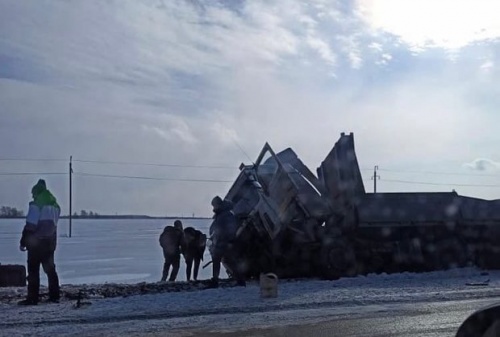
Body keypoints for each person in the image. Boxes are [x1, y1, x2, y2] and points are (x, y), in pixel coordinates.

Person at [18, 179, 61, 305]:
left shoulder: (36, 205)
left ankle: (32, 298)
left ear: (37, 192)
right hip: (50, 242)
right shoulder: (55, 206)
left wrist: (23, 241)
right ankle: (54, 296)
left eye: (33, 193)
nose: (32, 196)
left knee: (33, 271)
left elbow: (30, 226)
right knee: (50, 270)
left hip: (36, 243)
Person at [208, 196, 243, 288]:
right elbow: (215, 227)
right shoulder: (221, 214)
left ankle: (240, 280)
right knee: (219, 260)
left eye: (214, 206)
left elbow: (230, 229)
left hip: (225, 242)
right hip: (220, 242)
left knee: (229, 261)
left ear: (218, 205)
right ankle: (216, 280)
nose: (214, 208)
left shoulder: (226, 215)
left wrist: (228, 240)